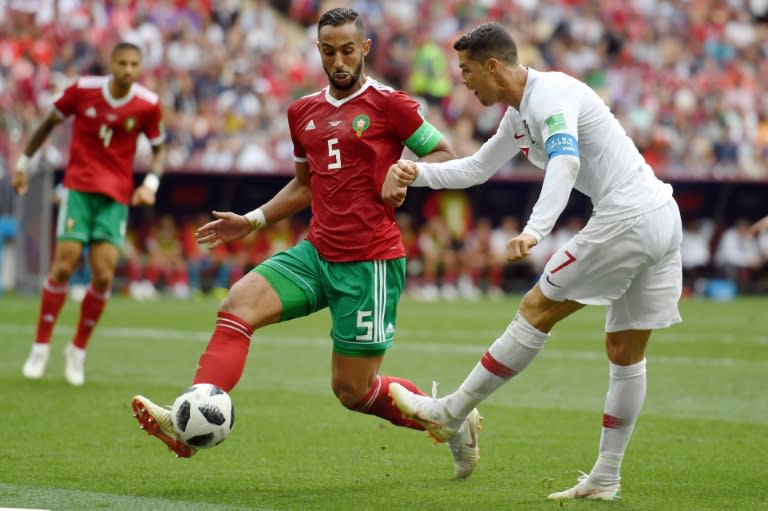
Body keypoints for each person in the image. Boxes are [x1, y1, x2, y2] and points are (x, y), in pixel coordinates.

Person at [130, 7, 482, 479]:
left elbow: (446, 154)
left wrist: (408, 172)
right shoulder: (303, 111)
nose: (339, 61)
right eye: (330, 51)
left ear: (365, 49)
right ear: (318, 50)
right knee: (238, 303)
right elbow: (303, 184)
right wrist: (252, 220)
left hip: (369, 264)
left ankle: (454, 420)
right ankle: (188, 413)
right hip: (316, 253)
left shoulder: (391, 104)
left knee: (353, 391)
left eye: (348, 51)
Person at [384, 22, 683, 500]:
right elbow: (477, 168)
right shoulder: (517, 114)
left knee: (535, 310)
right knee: (625, 354)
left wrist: (535, 230)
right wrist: (415, 171)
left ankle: (452, 411)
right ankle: (606, 477)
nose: (462, 80)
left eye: (466, 70)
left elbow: (566, 162)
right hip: (661, 217)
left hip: (628, 217)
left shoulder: (551, 96)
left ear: (493, 66)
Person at [13, 41, 166, 386]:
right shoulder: (83, 90)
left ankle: (77, 351)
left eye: (134, 64)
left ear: (139, 68)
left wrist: (151, 185)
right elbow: (47, 123)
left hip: (115, 197)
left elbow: (159, 152)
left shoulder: (148, 104)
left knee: (102, 276)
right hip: (79, 188)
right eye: (122, 63)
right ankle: (40, 347)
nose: (128, 70)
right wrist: (24, 164)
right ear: (110, 64)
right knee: (64, 264)